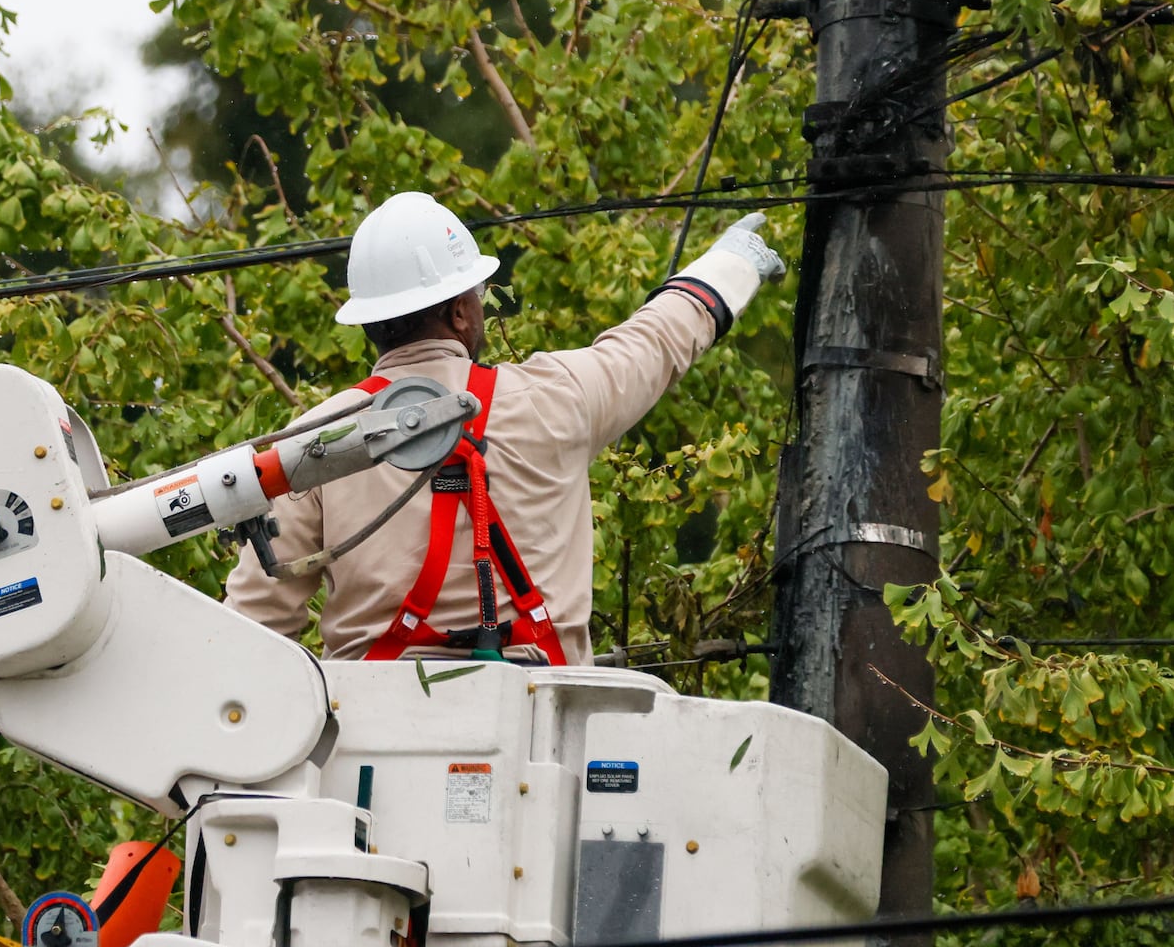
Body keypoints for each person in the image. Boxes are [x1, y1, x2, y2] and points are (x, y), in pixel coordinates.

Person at [224, 191, 785, 665]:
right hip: (546, 732)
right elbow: (653, 342)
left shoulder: (312, 444)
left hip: (368, 747)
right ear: (461, 314)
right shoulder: (557, 396)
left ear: (369, 323)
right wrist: (729, 266)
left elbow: (253, 630)